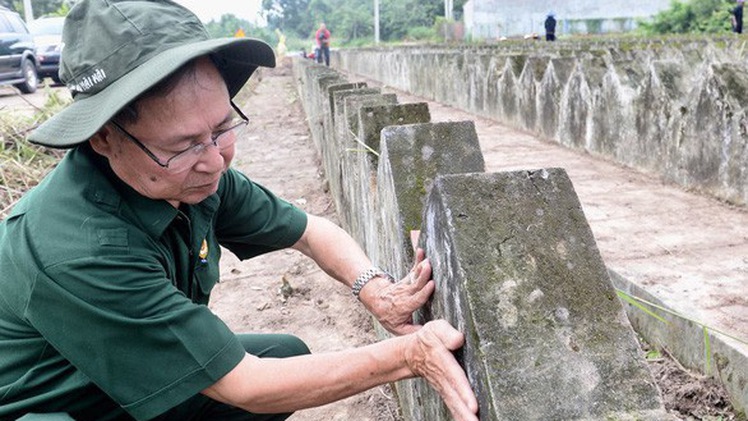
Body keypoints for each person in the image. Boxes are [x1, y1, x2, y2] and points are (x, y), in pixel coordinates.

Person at [0, 1, 478, 421]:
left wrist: (376, 291)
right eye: (183, 146)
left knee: (285, 354)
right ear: (104, 137)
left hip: (128, 375)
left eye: (222, 127)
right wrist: (410, 355)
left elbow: (310, 232)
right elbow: (243, 385)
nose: (215, 160)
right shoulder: (77, 247)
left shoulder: (195, 179)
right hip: (60, 402)